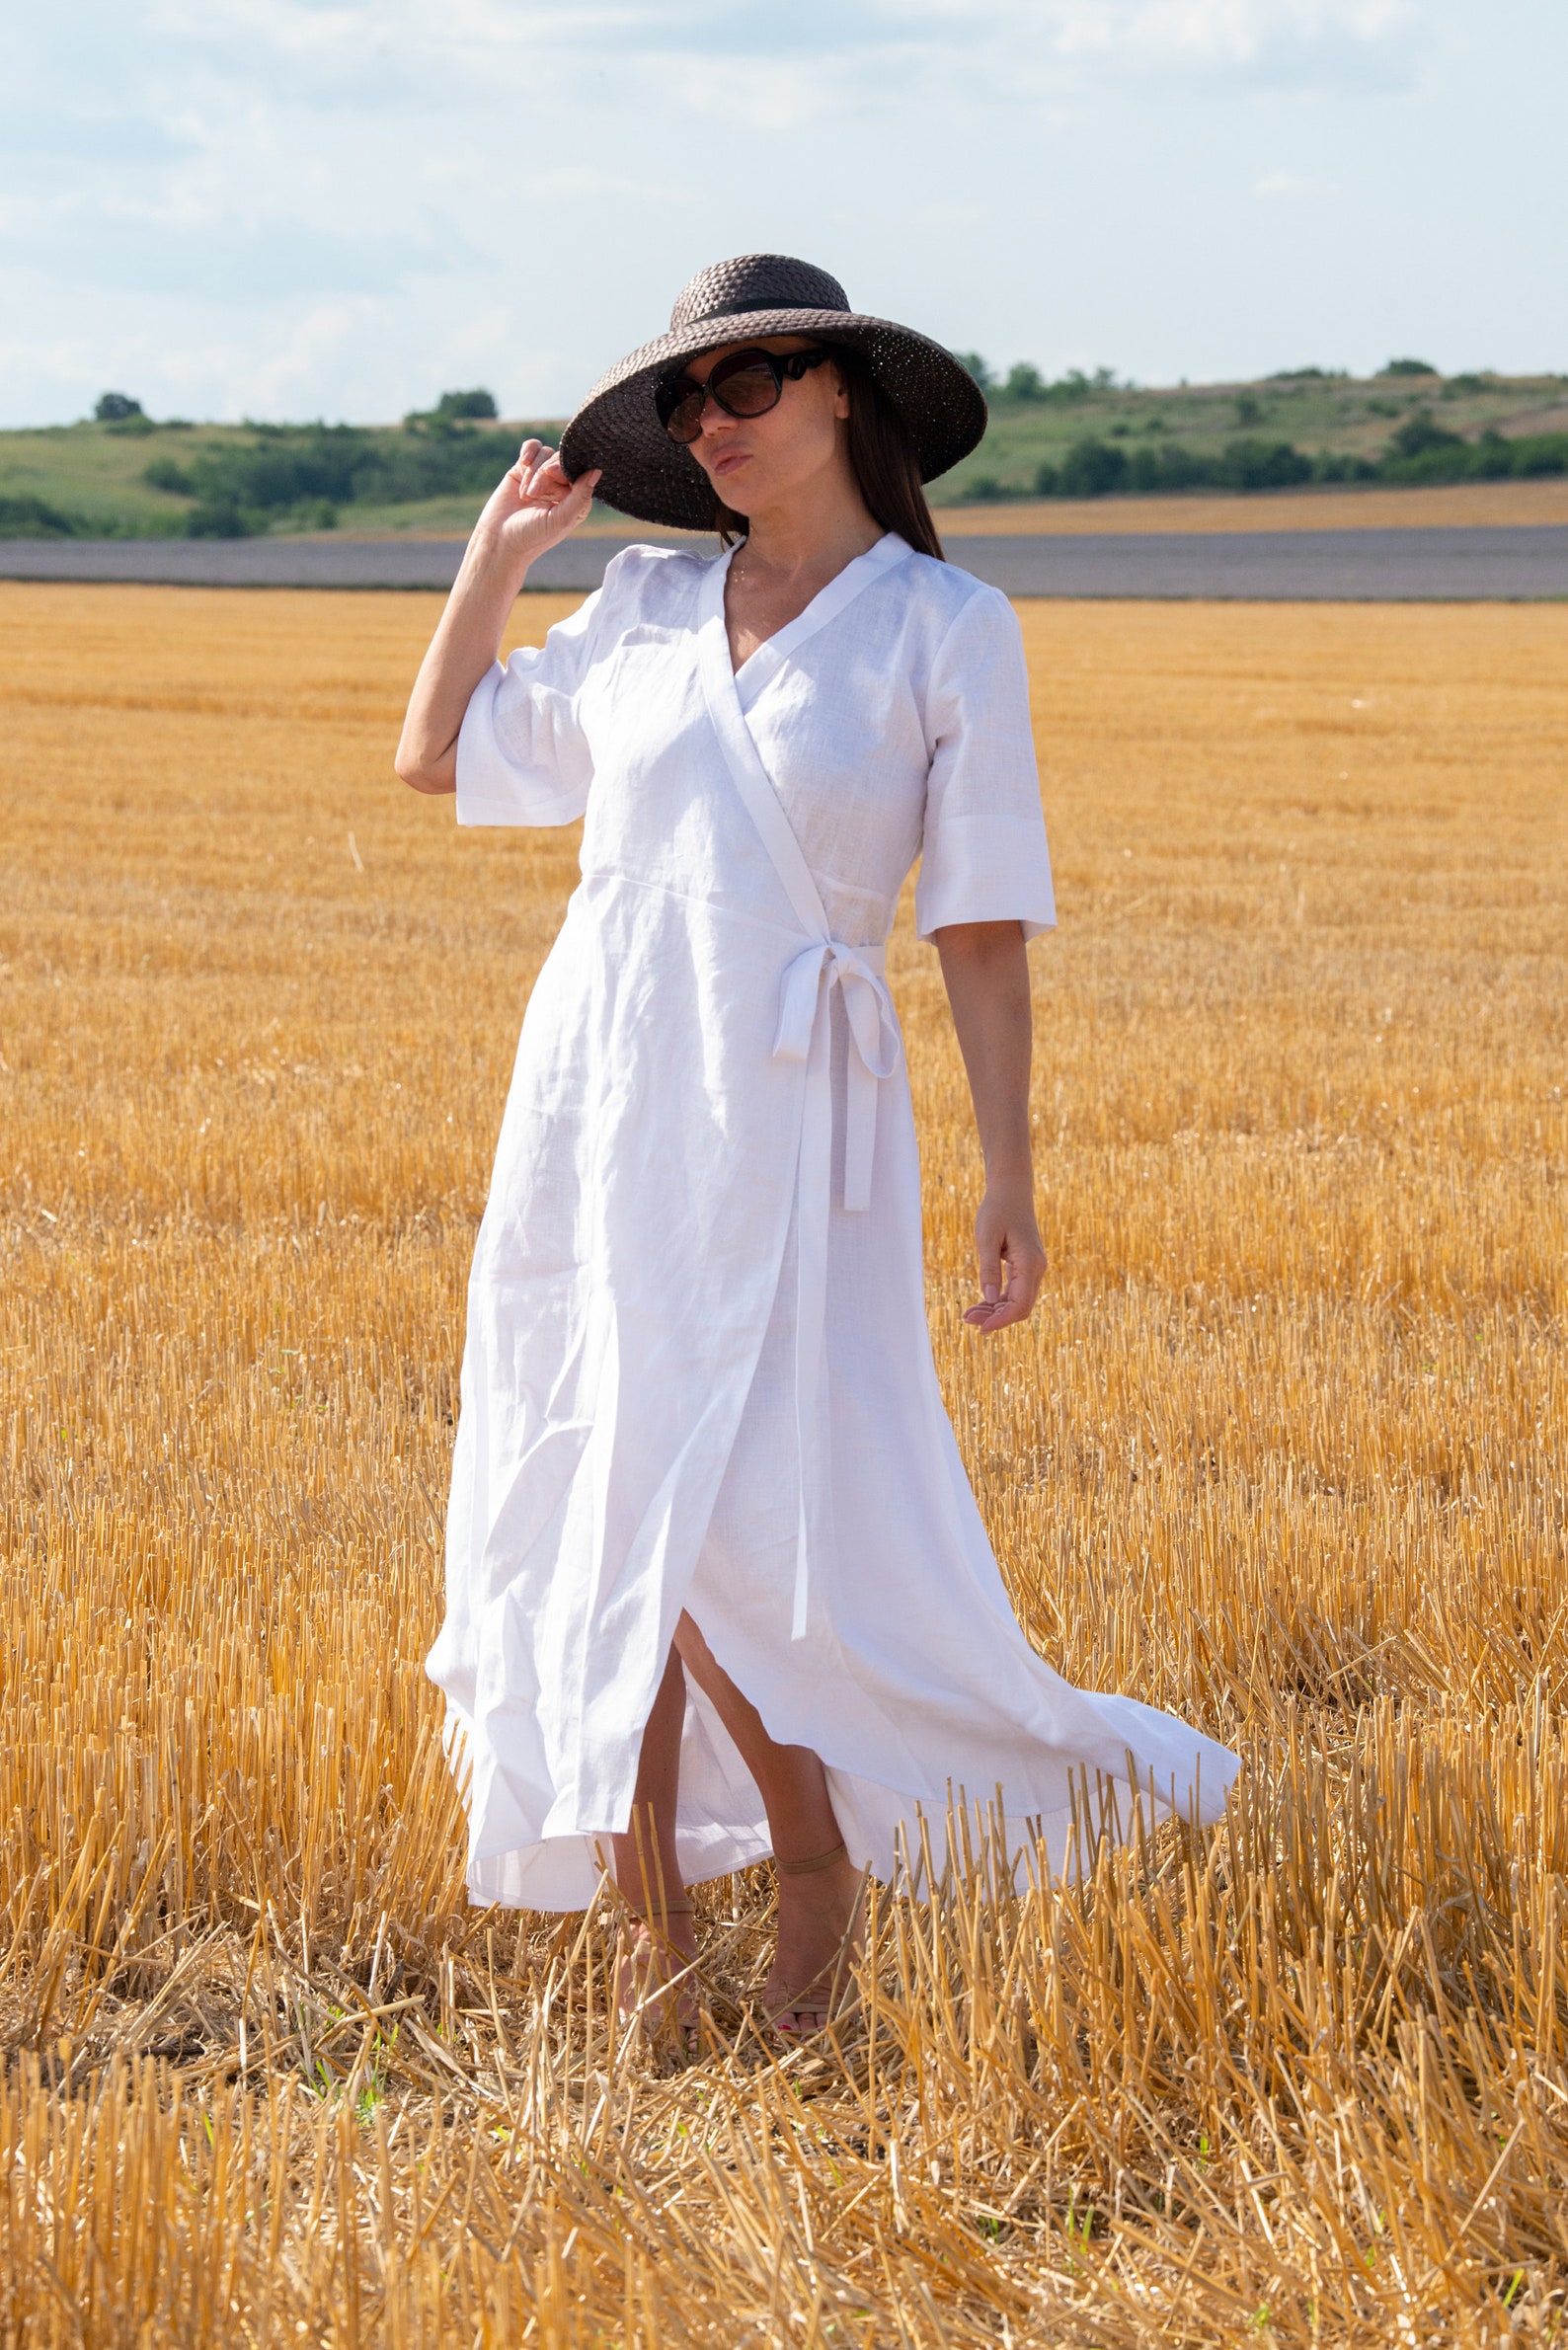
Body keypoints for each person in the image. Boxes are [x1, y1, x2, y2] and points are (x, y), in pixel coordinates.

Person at [396, 255, 1239, 2042]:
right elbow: (434, 755)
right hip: (600, 1093)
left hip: (795, 1111)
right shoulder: (637, 603)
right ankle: (655, 1954)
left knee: (733, 1528)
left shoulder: (947, 626)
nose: (713, 422)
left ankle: (816, 1867)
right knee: (600, 1511)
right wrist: (497, 558)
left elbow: (981, 922)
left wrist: (1010, 1175)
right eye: (688, 400)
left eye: (750, 382)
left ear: (843, 387)